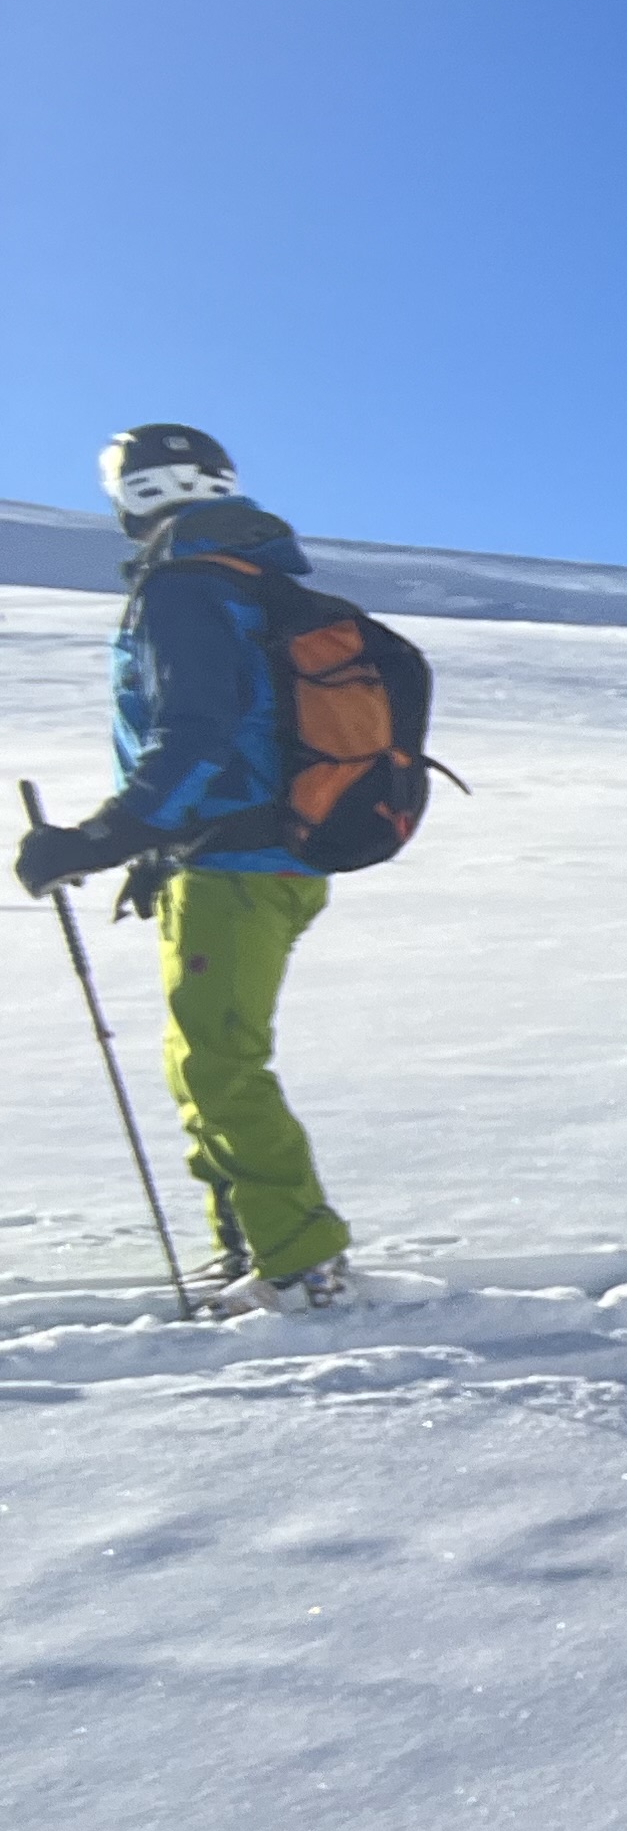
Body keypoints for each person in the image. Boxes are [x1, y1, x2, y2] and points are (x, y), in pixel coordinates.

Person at [12, 424, 354, 1312]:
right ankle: (250, 1244)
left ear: (141, 493)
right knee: (198, 1055)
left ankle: (300, 1260)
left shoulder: (187, 588)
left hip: (241, 862)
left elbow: (198, 733)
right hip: (234, 857)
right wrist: (157, 851)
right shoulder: (240, 581)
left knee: (219, 1062)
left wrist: (106, 836)